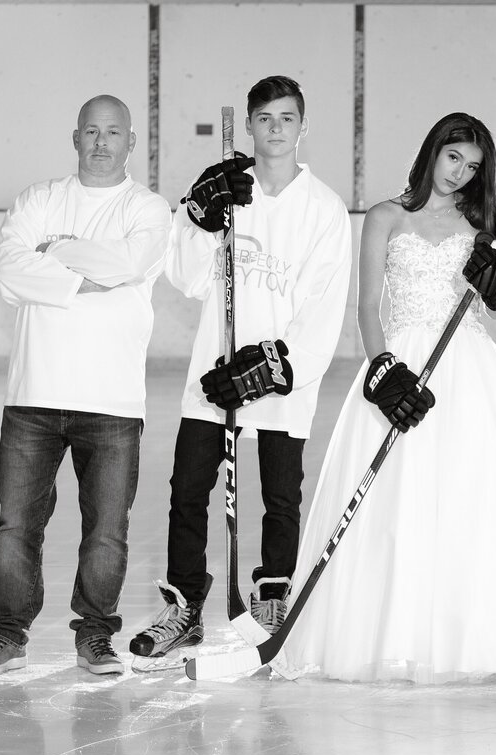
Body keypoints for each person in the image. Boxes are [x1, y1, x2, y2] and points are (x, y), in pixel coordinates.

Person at [280, 112, 496, 683]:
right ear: (433, 151)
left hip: (472, 374)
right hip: (404, 366)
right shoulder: (385, 217)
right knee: (396, 503)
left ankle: (476, 640)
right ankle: (392, 634)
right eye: (453, 157)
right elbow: (367, 309)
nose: (460, 173)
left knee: (473, 500)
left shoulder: (484, 223)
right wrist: (383, 370)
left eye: (473, 167)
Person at [129, 76, 351, 659]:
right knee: (187, 490)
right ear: (249, 125)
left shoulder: (324, 208)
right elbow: (187, 278)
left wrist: (267, 370)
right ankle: (184, 607)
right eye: (265, 118)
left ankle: (272, 595)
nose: (275, 128)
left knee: (281, 495)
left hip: (279, 379)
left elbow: (323, 307)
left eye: (286, 118)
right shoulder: (223, 189)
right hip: (213, 369)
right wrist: (201, 218)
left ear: (303, 126)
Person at [0, 95, 172, 675]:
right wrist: (89, 275)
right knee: (15, 528)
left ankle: (96, 637)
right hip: (33, 395)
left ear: (131, 141)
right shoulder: (38, 199)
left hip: (111, 400)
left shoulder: (148, 209)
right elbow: (11, 270)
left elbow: (129, 265)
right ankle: (6, 636)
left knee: (106, 532)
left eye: (113, 131)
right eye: (91, 131)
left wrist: (54, 254)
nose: (101, 141)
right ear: (75, 137)